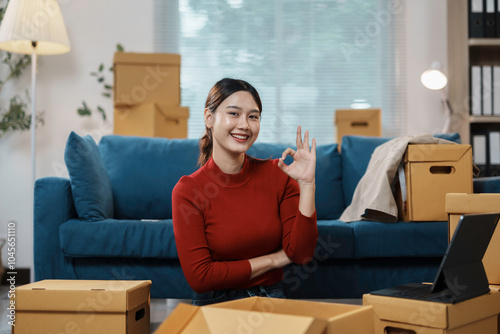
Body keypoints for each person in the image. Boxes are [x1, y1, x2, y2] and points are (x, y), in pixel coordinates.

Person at [172, 78, 318, 306]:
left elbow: (300, 254)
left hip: (269, 297)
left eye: (253, 116)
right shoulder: (188, 190)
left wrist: (308, 184)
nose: (245, 125)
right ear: (209, 118)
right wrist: (273, 260)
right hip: (213, 301)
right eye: (234, 114)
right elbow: (200, 277)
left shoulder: (279, 174)